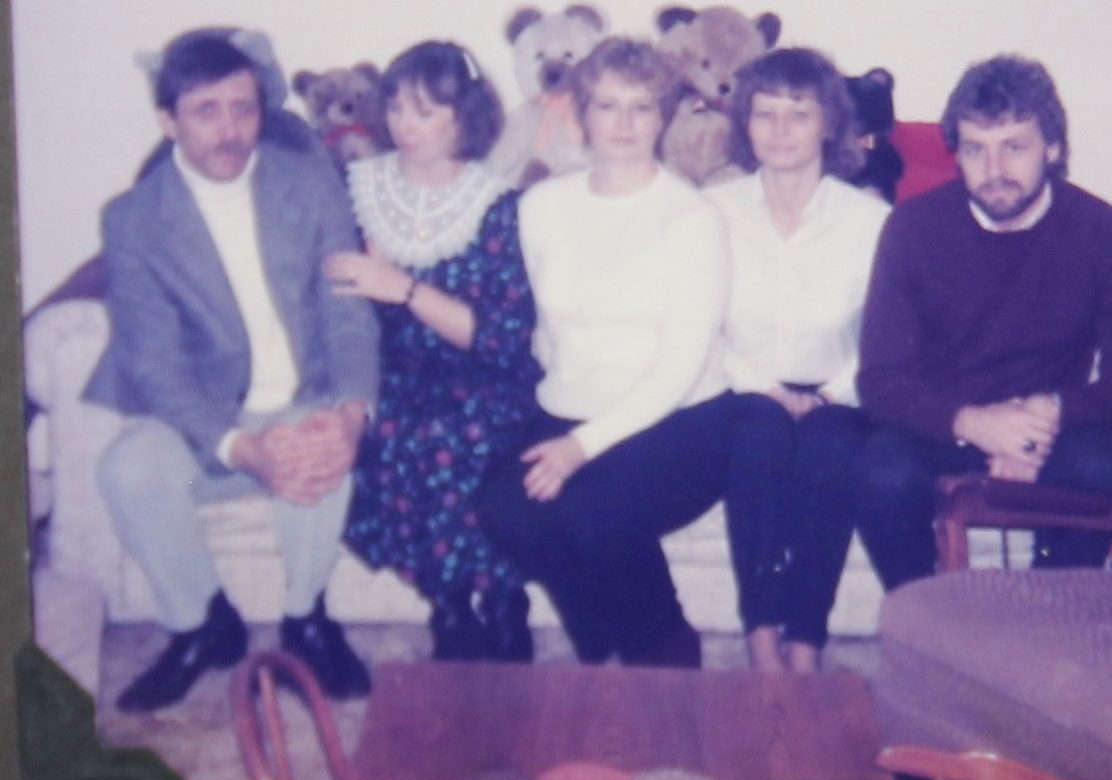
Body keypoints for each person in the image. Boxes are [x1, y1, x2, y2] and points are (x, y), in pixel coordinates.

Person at [86, 28, 378, 711]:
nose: (230, 130)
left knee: (321, 442)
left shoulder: (309, 183)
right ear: (168, 120)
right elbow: (154, 364)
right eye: (206, 111)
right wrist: (243, 447)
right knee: (127, 466)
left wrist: (351, 409)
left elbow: (347, 310)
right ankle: (199, 626)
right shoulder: (134, 220)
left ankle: (305, 619)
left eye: (243, 109)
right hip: (204, 415)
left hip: (302, 395)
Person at [855, 54, 1112, 590]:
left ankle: (1042, 611)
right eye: (976, 149)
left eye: (1014, 148)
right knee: (879, 471)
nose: (994, 171)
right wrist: (976, 424)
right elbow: (881, 379)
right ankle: (923, 612)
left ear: (1053, 148)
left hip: (1048, 426)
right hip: (944, 424)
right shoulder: (913, 228)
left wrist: (1046, 416)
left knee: (1105, 470)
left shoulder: (1105, 233)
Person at [477, 36, 735, 668]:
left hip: (681, 420)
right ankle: (602, 646)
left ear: (663, 117)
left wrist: (579, 448)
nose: (623, 123)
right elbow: (542, 332)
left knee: (593, 507)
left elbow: (678, 367)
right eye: (608, 105)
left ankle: (665, 646)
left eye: (641, 107)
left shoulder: (691, 218)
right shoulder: (540, 207)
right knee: (504, 505)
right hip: (570, 406)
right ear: (581, 114)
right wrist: (558, 424)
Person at [323, 41, 541, 662]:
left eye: (424, 111)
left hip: (483, 372)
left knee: (464, 432)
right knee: (390, 427)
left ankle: (502, 600)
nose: (402, 124)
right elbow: (334, 296)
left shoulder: (497, 204)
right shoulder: (357, 186)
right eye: (395, 106)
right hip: (392, 372)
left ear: (463, 116)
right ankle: (448, 605)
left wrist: (404, 289)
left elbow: (501, 337)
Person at [706, 49, 889, 673]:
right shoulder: (714, 212)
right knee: (757, 437)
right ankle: (761, 634)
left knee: (831, 450)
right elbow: (699, 324)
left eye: (798, 113)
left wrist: (834, 393)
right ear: (745, 124)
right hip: (742, 387)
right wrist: (764, 387)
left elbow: (887, 332)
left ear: (828, 125)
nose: (781, 130)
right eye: (765, 114)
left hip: (841, 392)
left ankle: (806, 639)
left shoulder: (869, 221)